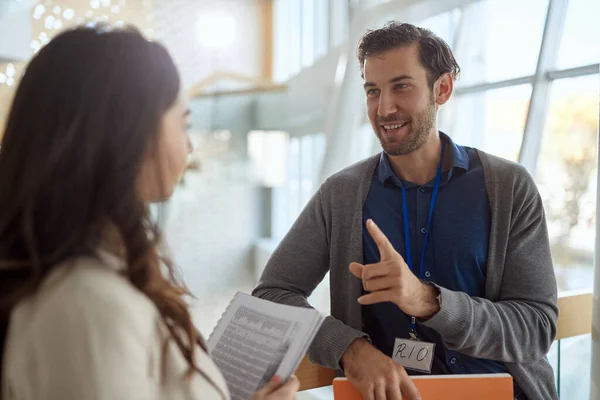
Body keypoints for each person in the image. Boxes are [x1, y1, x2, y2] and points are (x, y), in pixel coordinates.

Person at [253, 21, 558, 400]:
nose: (384, 108)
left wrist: (428, 301)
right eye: (372, 90)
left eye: (401, 86)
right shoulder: (341, 194)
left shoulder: (509, 186)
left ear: (441, 89)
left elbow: (537, 326)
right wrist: (349, 349)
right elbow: (272, 295)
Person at [0, 25, 299, 400]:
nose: (189, 145)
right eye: (183, 123)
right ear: (133, 134)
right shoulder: (88, 307)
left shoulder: (90, 282)